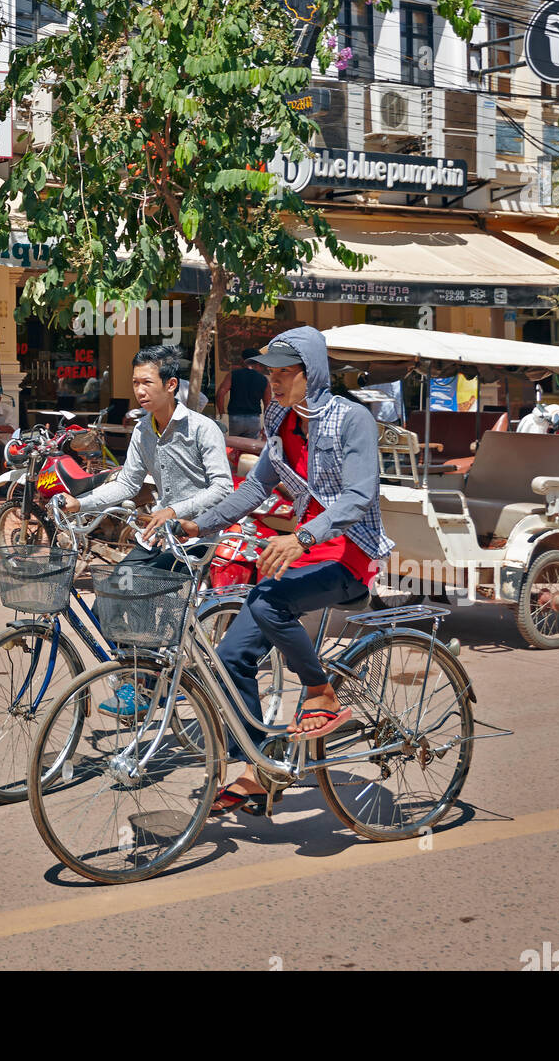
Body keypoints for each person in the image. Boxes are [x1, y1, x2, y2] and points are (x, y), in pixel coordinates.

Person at [180, 325, 395, 815]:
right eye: (269, 372)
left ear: (311, 373)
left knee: (266, 599)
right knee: (230, 656)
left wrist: (301, 536)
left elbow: (361, 494)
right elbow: (255, 489)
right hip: (302, 555)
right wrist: (199, 524)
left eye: (283, 372)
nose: (273, 381)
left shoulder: (351, 418)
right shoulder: (280, 421)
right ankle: (258, 771)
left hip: (348, 555)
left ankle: (320, 692)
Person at [63, 344, 234, 714]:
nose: (139, 390)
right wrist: (79, 502)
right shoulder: (143, 431)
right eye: (135, 382)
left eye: (147, 382)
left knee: (136, 586)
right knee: (112, 590)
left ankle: (140, 684)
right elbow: (126, 484)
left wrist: (174, 509)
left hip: (194, 535)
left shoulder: (203, 429)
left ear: (171, 384)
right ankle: (141, 671)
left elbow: (223, 488)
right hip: (158, 535)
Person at [216, 351, 272, 439]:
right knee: (249, 450)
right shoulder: (264, 379)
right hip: (253, 420)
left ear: (243, 360)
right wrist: (265, 425)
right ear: (257, 362)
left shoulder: (233, 375)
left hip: (235, 418)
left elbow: (220, 394)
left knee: (235, 448)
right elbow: (268, 404)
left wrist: (221, 413)